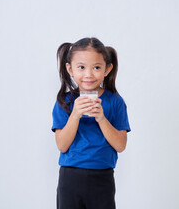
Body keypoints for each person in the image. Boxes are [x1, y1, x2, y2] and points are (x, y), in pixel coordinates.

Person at [51, 37, 131, 209]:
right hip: (70, 177)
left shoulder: (115, 102)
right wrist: (75, 115)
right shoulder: (64, 102)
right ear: (70, 69)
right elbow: (62, 145)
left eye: (96, 67)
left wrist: (101, 118)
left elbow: (120, 145)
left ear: (107, 69)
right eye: (81, 67)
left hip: (102, 178)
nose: (88, 74)